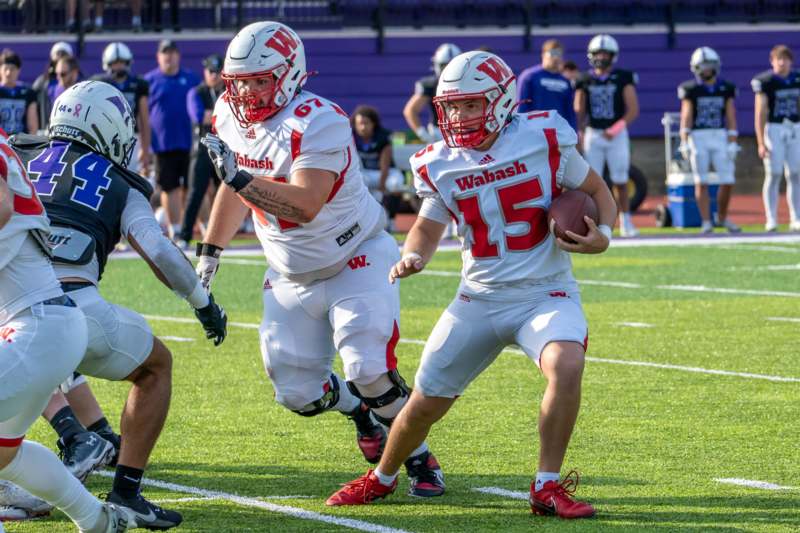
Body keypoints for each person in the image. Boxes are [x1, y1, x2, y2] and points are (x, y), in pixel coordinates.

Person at [326, 51, 616, 519]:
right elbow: (427, 223)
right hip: (478, 298)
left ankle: (546, 485)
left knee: (567, 363)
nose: (458, 117)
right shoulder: (438, 161)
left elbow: (600, 192)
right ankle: (380, 478)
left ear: (501, 102)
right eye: (452, 107)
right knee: (423, 402)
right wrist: (414, 254)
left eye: (470, 105)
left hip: (545, 290)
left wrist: (603, 235)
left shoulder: (543, 136)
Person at [196, 21, 444, 497]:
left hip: (357, 256)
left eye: (259, 79)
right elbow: (233, 188)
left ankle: (416, 456)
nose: (246, 91)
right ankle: (357, 411)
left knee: (369, 369)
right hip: (289, 272)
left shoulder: (320, 120)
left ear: (289, 74)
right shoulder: (227, 112)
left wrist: (241, 179)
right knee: (298, 395)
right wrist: (211, 251)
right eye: (239, 81)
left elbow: (306, 203)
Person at [11, 80, 227, 530]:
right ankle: (126, 492)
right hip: (76, 310)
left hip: (8, 305)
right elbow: (160, 251)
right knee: (156, 366)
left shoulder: (18, 152)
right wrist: (202, 301)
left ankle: (71, 442)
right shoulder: (121, 182)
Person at [0, 128, 130, 532]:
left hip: (36, 325)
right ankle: (96, 520)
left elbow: (1, 206)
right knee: (7, 456)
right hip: (44, 324)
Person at [575, 34, 639, 237]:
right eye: (598, 53)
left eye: (605, 53)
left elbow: (633, 109)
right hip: (594, 133)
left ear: (613, 56)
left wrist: (615, 129)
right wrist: (580, 132)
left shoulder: (623, 77)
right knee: (594, 182)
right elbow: (578, 109)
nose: (601, 57)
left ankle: (626, 221)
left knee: (621, 179)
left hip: (616, 134)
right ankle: (595, 222)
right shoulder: (584, 79)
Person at [677, 47, 741, 234]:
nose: (706, 69)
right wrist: (684, 139)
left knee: (728, 180)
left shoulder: (725, 88)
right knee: (701, 181)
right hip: (698, 136)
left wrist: (732, 140)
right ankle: (706, 222)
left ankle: (721, 217)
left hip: (719, 135)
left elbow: (730, 115)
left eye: (709, 65)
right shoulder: (691, 89)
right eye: (702, 66)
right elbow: (686, 115)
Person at [145, 39, 199, 240]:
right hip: (163, 144)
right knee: (170, 188)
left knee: (192, 187)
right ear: (158, 56)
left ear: (179, 55)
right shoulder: (150, 81)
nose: (169, 56)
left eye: (172, 52)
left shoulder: (190, 78)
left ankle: (199, 226)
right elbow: (143, 114)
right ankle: (175, 228)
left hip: (190, 142)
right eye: (165, 52)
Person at [177, 54, 225, 247]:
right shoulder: (196, 92)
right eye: (210, 71)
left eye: (216, 71)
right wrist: (222, 114)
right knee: (195, 193)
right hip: (203, 149)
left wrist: (211, 114)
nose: (213, 75)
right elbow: (198, 115)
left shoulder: (229, 92)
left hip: (224, 148)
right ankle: (184, 235)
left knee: (230, 191)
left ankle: (222, 234)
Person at [752, 44, 800, 232]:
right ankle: (771, 218)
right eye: (778, 59)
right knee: (774, 174)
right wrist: (760, 142)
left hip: (795, 127)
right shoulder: (766, 82)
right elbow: (760, 112)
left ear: (791, 61)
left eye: (785, 58)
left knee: (795, 174)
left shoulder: (797, 79)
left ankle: (796, 217)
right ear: (772, 62)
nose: (782, 62)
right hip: (775, 128)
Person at [92, 42, 151, 175]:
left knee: (128, 179)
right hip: (105, 137)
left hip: (130, 138)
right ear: (108, 64)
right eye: (115, 63)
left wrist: (145, 149)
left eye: (122, 62)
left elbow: (144, 119)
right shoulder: (100, 84)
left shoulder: (138, 84)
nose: (119, 66)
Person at [351, 105, 405, 232]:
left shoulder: (383, 136)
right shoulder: (350, 136)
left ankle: (391, 220)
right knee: (355, 183)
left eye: (366, 123)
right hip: (366, 173)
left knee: (396, 184)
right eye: (360, 124)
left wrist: (381, 187)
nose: (363, 127)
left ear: (373, 123)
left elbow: (385, 164)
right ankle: (359, 221)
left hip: (386, 172)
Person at [403, 43, 462, 143]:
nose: (449, 69)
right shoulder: (431, 85)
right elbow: (410, 110)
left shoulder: (469, 81)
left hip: (464, 128)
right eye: (445, 65)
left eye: (453, 65)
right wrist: (421, 133)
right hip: (440, 132)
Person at [518, 39, 577, 129]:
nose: (556, 58)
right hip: (534, 130)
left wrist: (574, 131)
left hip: (558, 132)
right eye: (553, 53)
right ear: (543, 54)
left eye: (558, 54)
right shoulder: (529, 76)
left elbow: (569, 111)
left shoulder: (565, 81)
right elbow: (521, 106)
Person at [32, 41, 73, 130]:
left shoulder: (76, 80)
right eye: (57, 54)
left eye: (63, 54)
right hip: (47, 126)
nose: (60, 57)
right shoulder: (42, 81)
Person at [0, 49, 38, 135]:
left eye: (12, 69)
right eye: (5, 68)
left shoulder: (28, 92)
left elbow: (32, 126)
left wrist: (29, 145)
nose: (8, 72)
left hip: (21, 143)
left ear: (18, 70)